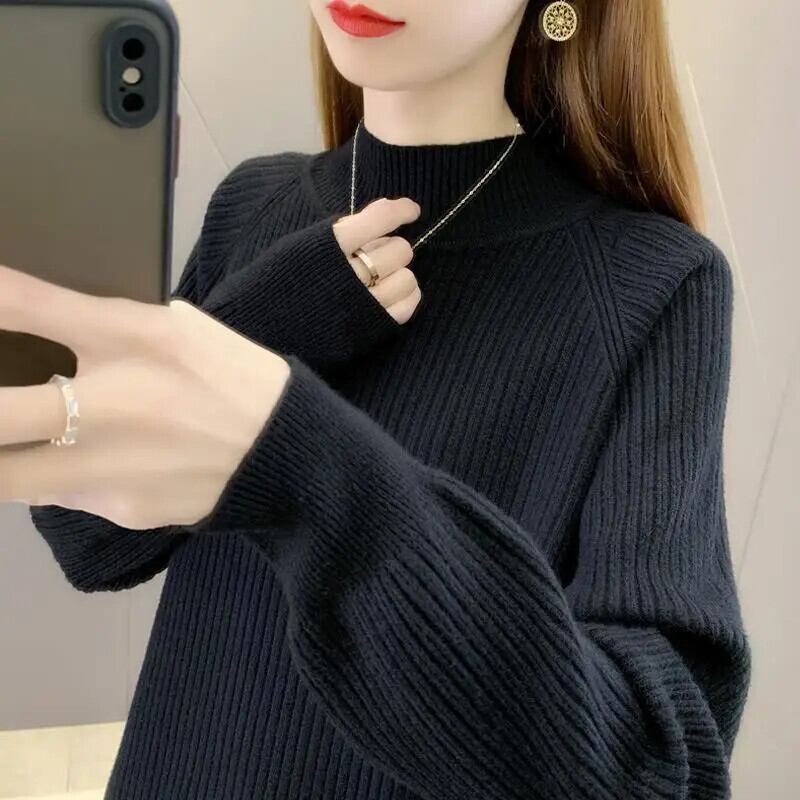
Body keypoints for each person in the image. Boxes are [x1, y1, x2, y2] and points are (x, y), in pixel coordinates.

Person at [1, 1, 751, 797]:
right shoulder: (253, 204)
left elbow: (659, 769)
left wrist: (297, 459)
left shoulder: (653, 285)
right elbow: (88, 541)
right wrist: (261, 328)